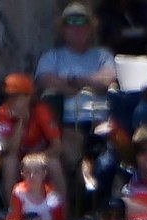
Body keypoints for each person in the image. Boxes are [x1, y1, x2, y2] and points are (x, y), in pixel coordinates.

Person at [34, 2, 116, 174]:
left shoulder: (103, 55)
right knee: (72, 160)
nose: (77, 27)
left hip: (101, 121)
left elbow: (109, 79)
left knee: (111, 159)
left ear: (90, 28)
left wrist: (74, 81)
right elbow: (46, 82)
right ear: (63, 29)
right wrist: (91, 84)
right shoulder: (51, 57)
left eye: (82, 22)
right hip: (67, 124)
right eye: (71, 23)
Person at [0, 73, 66, 205]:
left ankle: (61, 212)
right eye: (8, 96)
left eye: (15, 96)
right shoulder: (3, 112)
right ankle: (12, 210)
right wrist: (20, 122)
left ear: (28, 97)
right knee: (9, 163)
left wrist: (35, 159)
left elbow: (57, 147)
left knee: (54, 164)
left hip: (41, 156)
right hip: (18, 158)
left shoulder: (41, 111)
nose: (10, 101)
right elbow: (11, 150)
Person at [6, 152, 66, 220]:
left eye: (36, 172)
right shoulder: (18, 193)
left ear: (44, 173)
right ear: (22, 173)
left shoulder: (52, 196)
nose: (32, 176)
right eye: (28, 172)